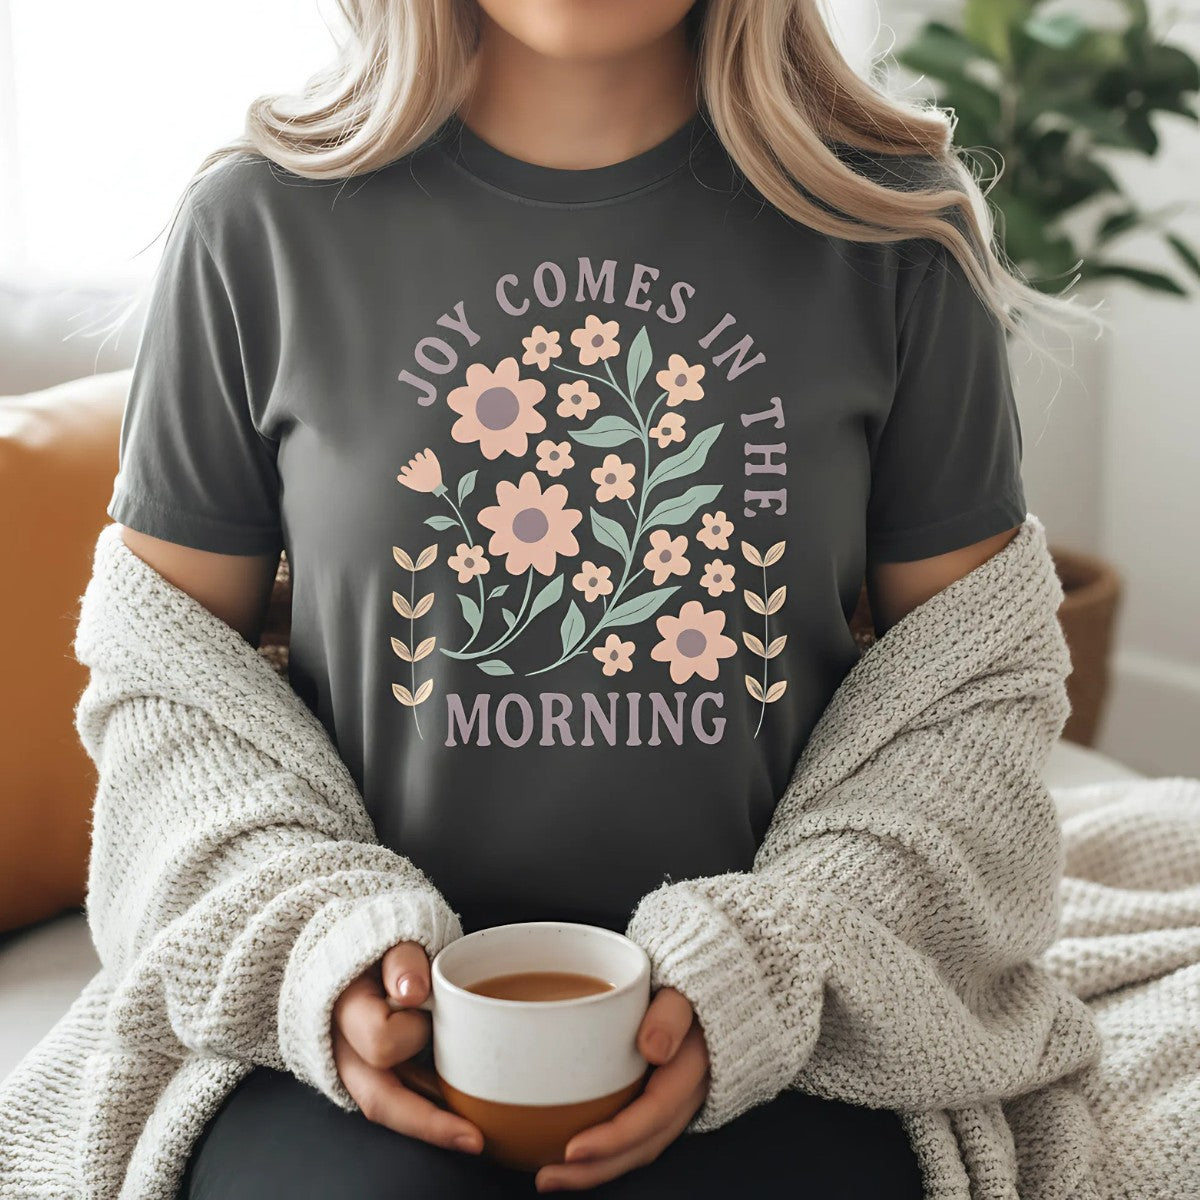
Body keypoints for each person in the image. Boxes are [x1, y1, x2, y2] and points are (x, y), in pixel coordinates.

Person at [102, 2, 1096, 1196]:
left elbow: (971, 704)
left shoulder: (890, 226)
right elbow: (168, 695)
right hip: (357, 1046)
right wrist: (321, 952)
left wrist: (763, 973)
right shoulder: (256, 227)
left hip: (788, 1042)